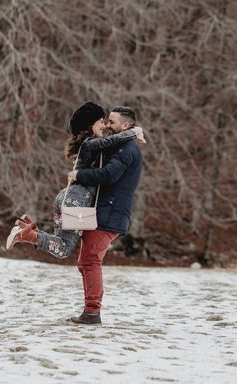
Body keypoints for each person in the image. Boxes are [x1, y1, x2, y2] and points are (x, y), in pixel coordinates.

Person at [5, 102, 145, 260]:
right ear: (90, 125)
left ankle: (26, 227)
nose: (104, 126)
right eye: (100, 122)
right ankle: (28, 235)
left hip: (67, 197)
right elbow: (111, 143)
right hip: (77, 200)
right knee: (64, 249)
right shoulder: (91, 143)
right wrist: (135, 131)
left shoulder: (89, 143)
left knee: (61, 242)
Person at [68, 106, 144, 325]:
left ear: (126, 125)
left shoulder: (127, 149)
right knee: (85, 262)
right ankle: (90, 310)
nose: (108, 126)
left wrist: (79, 175)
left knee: (90, 261)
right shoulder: (121, 146)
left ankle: (92, 312)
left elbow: (109, 175)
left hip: (111, 213)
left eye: (111, 122)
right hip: (104, 211)